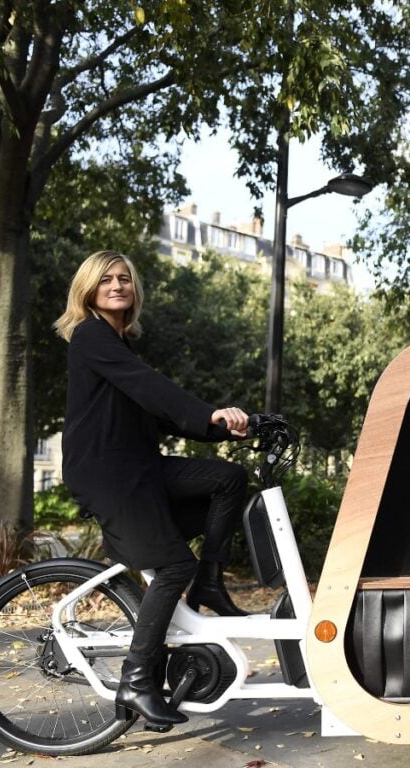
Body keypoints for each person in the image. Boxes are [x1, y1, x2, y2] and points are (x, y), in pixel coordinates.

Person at [55, 250, 250, 727]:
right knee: (172, 564)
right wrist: (208, 412)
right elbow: (151, 386)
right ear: (89, 290)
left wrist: (226, 426)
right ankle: (138, 680)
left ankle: (209, 581)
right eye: (107, 280)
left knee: (228, 479)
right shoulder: (90, 336)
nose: (118, 285)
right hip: (111, 475)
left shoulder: (119, 345)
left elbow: (157, 409)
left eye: (125, 279)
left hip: (139, 467)